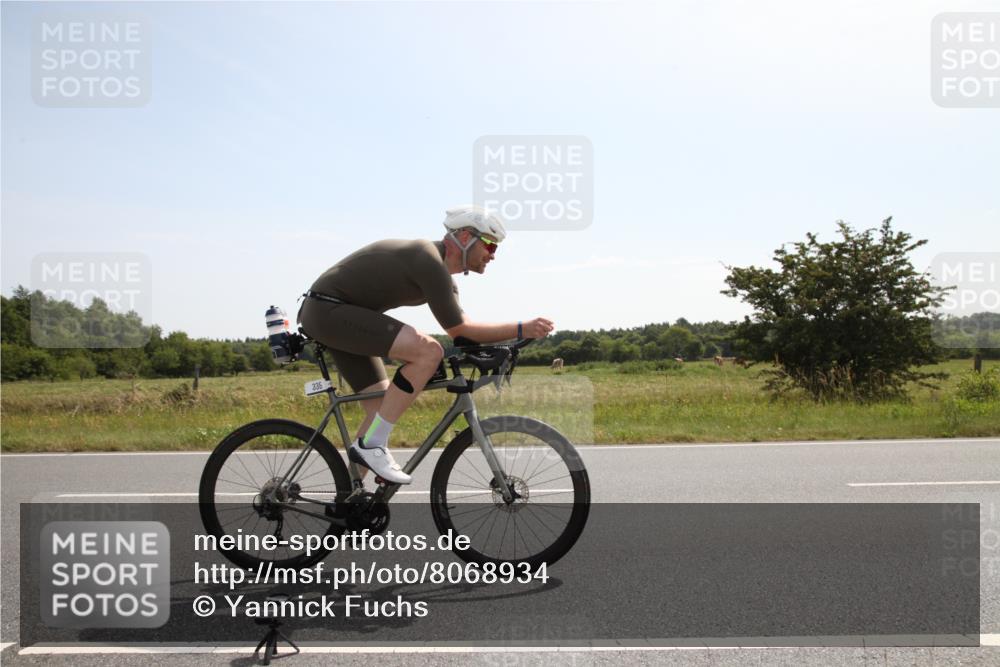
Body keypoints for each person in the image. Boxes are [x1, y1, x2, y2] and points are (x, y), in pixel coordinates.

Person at [296, 206, 554, 484]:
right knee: (428, 351)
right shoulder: (426, 258)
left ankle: (352, 499)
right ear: (465, 237)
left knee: (384, 405)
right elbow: (461, 329)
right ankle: (371, 448)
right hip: (327, 310)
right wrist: (521, 328)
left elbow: (464, 337)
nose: (493, 255)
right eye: (490, 245)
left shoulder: (444, 279)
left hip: (340, 314)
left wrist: (508, 346)